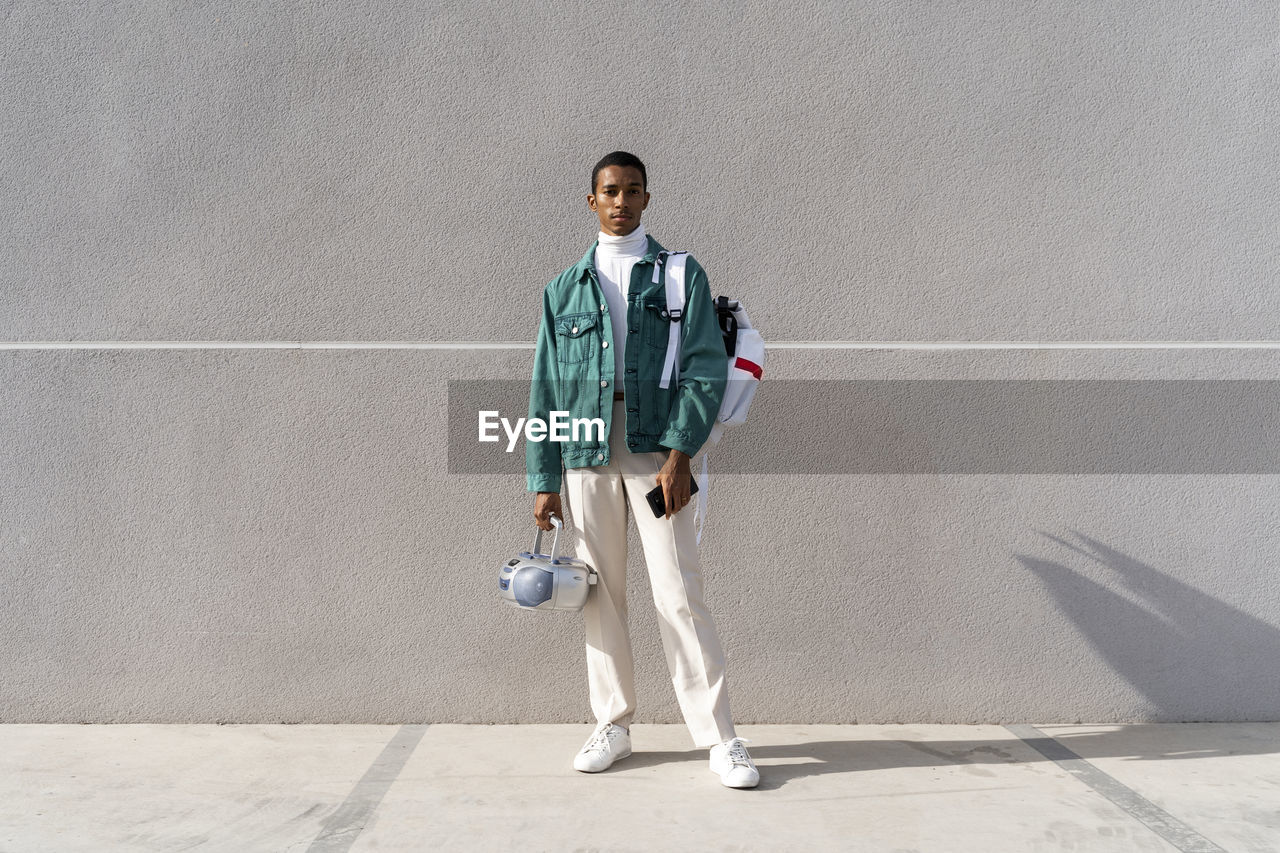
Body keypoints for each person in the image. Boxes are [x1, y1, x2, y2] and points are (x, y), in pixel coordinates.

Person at [525, 151, 760, 788]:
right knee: (599, 592)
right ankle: (613, 723)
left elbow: (706, 367)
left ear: (647, 198)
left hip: (659, 450)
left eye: (632, 191)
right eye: (610, 192)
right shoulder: (563, 289)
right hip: (586, 450)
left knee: (679, 592)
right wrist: (543, 479)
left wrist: (682, 452)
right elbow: (546, 386)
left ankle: (720, 738)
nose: (621, 202)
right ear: (592, 200)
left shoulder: (681, 276)